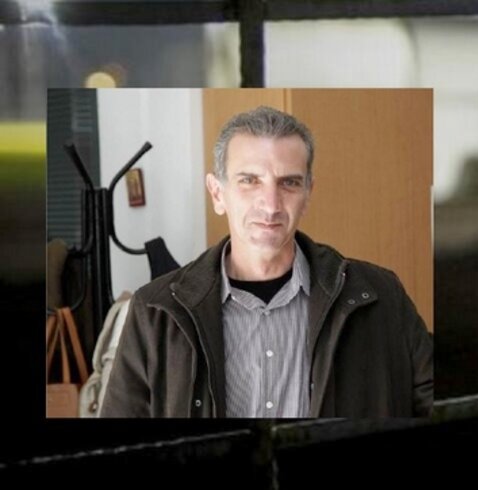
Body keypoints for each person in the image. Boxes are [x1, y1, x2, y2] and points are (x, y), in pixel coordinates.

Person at [101, 106, 433, 418]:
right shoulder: (154, 311)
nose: (271, 205)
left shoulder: (380, 295)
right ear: (217, 193)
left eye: (289, 183)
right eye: (250, 181)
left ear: (308, 194)